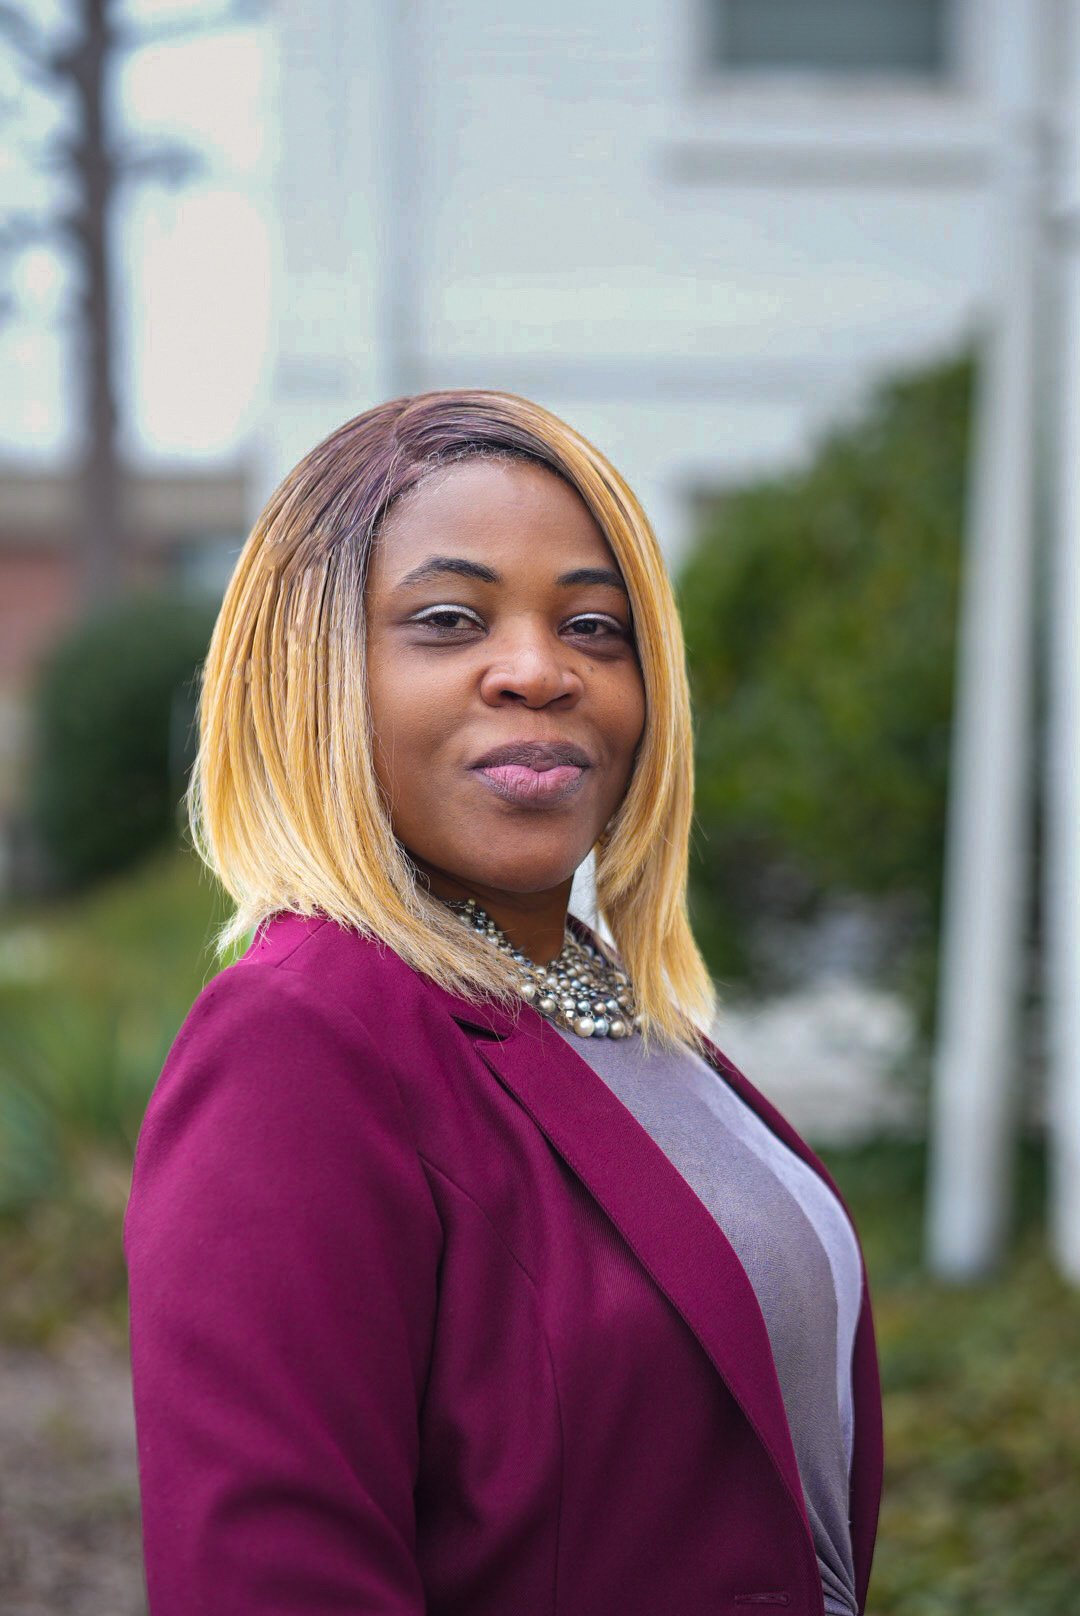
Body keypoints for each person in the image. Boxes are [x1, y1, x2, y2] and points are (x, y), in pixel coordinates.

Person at [123, 389, 883, 1616]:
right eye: (446, 619)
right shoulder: (300, 1040)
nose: (540, 670)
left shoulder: (622, 1013)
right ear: (316, 676)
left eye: (595, 624)